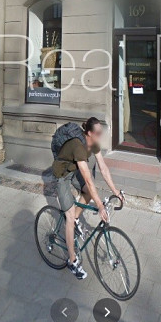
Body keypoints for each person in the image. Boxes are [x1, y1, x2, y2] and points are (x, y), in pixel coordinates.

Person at [52, 117, 124, 279]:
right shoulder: (78, 147)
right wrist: (99, 205)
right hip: (62, 174)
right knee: (69, 216)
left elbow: (103, 168)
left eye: (101, 132)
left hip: (73, 170)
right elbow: (88, 180)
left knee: (88, 193)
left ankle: (76, 219)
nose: (100, 135)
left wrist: (116, 191)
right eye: (98, 133)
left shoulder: (94, 144)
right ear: (90, 133)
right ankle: (72, 261)